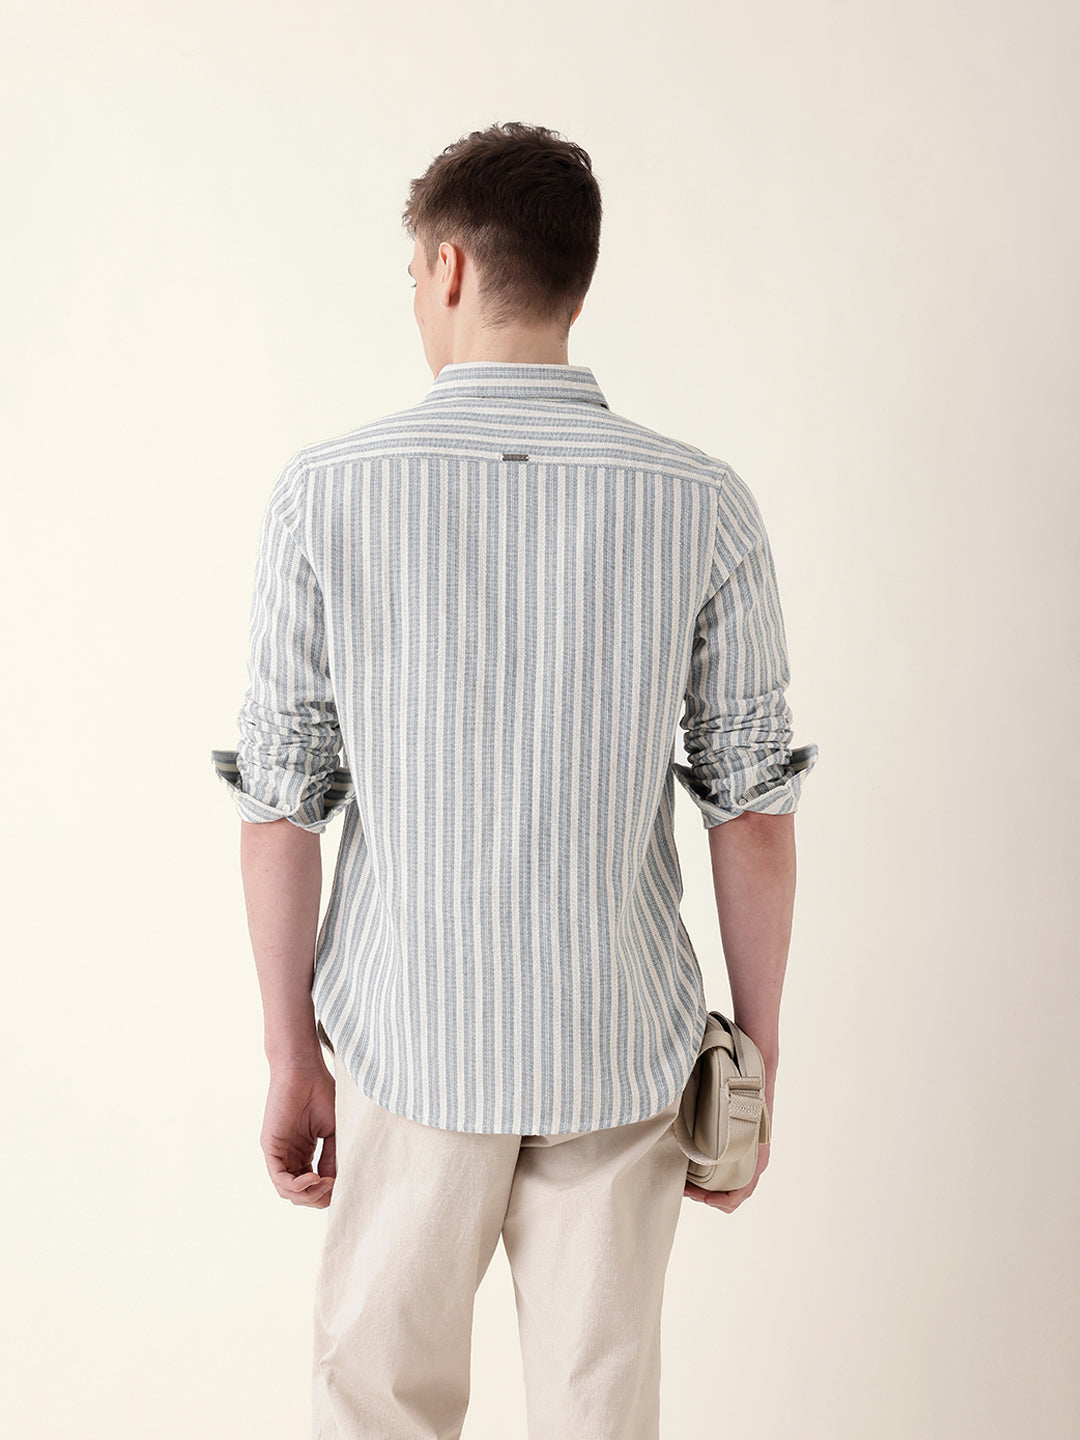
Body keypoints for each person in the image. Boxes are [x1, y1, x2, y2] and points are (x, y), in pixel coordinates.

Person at [210, 120, 818, 1440]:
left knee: (377, 1409)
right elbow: (753, 810)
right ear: (573, 286)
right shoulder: (702, 502)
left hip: (407, 1037)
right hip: (620, 1047)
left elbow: (279, 809)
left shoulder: (326, 495)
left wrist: (289, 1049)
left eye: (413, 277)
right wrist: (757, 1059)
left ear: (446, 268)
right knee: (601, 1415)